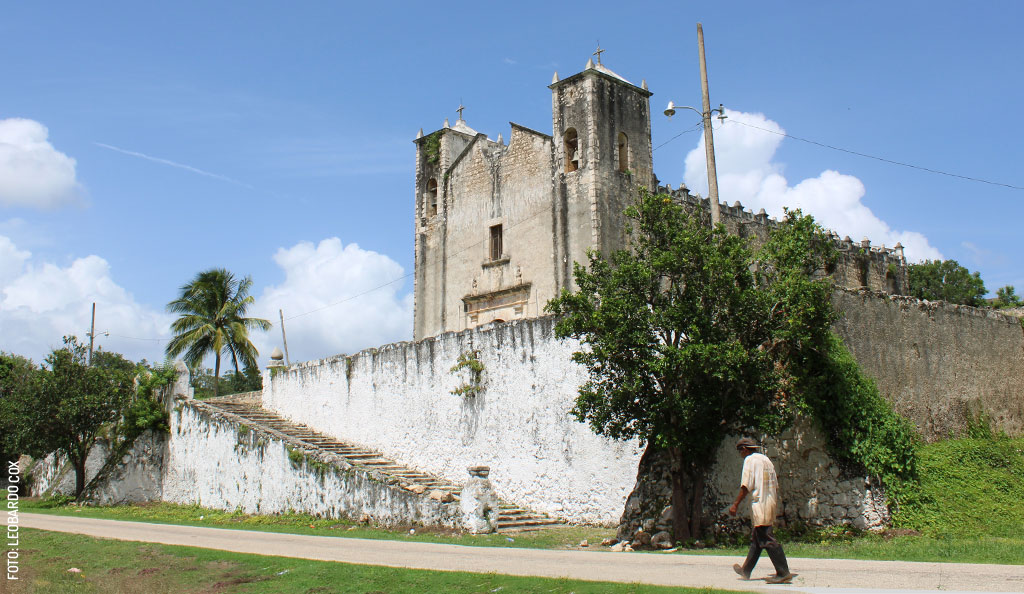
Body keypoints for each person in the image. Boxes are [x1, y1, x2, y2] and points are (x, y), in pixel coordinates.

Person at [728, 437, 796, 584]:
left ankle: (783, 572)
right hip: (770, 501)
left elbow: (746, 485)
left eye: (740, 451)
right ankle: (746, 570)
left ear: (744, 449)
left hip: (760, 502)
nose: (741, 455)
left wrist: (735, 504)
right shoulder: (766, 460)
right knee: (757, 538)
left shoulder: (750, 460)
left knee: (766, 537)